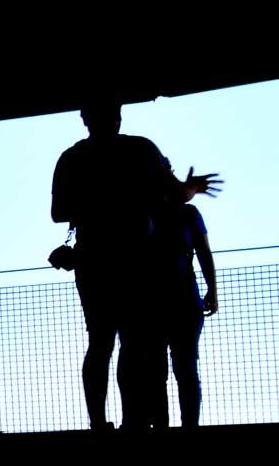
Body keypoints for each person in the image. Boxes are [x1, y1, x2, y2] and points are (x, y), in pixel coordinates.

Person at [50, 99, 219, 430]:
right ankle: (135, 420)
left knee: (102, 341)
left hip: (94, 261)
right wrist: (191, 188)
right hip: (138, 261)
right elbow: (174, 193)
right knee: (133, 341)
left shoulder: (72, 159)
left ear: (84, 118)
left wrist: (94, 207)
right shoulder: (140, 150)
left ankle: (102, 421)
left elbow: (59, 213)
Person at [151, 202, 218, 427]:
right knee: (186, 367)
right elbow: (203, 251)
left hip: (153, 301)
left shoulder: (143, 212)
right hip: (185, 297)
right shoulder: (187, 213)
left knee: (157, 370)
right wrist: (212, 289)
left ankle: (161, 425)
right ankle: (190, 425)